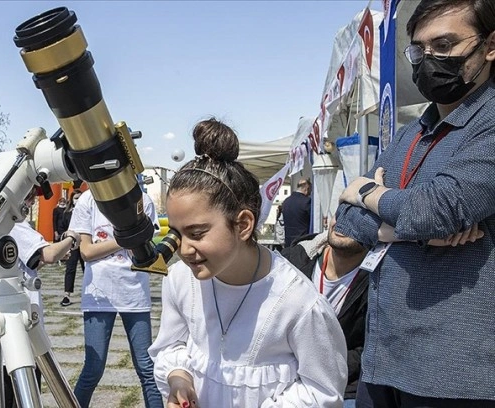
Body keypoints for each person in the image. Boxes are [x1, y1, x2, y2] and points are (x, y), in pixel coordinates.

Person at [334, 0, 495, 406]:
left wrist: (366, 192)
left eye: (444, 45)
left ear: (490, 46)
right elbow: (345, 219)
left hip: (454, 375)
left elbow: (432, 211)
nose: (428, 61)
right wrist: (401, 230)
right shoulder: (411, 133)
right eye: (419, 50)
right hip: (382, 358)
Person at [148, 118, 347, 407]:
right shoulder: (180, 279)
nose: (185, 249)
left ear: (242, 224)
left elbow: (322, 390)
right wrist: (179, 377)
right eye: (177, 234)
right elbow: (171, 343)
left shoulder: (298, 303)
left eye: (198, 233)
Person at [68, 188, 163, 408]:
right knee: (93, 368)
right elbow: (87, 252)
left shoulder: (142, 199)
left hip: (135, 292)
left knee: (146, 368)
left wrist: (133, 240)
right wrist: (127, 238)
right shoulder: (88, 199)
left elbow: (144, 250)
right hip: (98, 294)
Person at [280, 215, 369, 408]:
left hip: (344, 388)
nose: (344, 222)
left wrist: (324, 364)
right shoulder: (292, 261)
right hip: (284, 382)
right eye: (341, 213)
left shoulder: (379, 279)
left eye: (357, 216)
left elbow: (369, 348)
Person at [3, 197, 80, 407]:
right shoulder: (12, 223)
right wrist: (72, 238)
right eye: (28, 198)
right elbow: (48, 255)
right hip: (22, 327)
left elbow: (30, 264)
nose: (29, 204)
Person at [60, 190, 84, 306]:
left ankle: (90, 292)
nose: (77, 200)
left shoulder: (87, 211)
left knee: (88, 268)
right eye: (76, 198)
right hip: (72, 243)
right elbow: (62, 227)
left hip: (85, 242)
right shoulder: (67, 213)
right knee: (70, 268)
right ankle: (67, 294)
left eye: (80, 198)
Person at [281, 177, 311, 247]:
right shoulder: (307, 201)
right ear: (306, 188)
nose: (310, 193)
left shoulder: (286, 201)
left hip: (288, 242)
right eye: (310, 190)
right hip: (302, 242)